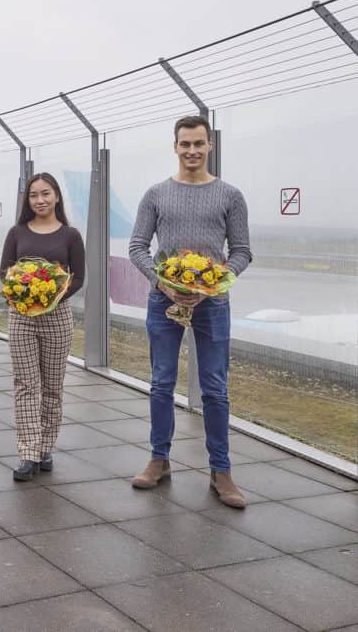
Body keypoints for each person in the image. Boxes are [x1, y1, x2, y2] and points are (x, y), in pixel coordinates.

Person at [128, 115, 252, 508]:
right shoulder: (156, 194)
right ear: (175, 147)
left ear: (210, 145)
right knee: (162, 383)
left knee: (215, 387)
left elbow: (242, 252)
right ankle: (159, 460)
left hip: (212, 304)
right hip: (164, 301)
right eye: (186, 144)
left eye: (199, 143)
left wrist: (213, 283)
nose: (192, 151)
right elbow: (137, 247)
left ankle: (221, 470)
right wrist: (162, 282)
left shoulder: (231, 196)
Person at [0, 172, 85, 481]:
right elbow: (5, 272)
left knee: (52, 386)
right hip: (21, 317)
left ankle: (46, 447)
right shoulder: (17, 232)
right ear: (28, 201)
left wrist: (51, 297)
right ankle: (28, 452)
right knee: (25, 385)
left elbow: (78, 278)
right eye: (34, 195)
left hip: (57, 317)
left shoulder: (71, 236)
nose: (40, 200)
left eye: (45, 194)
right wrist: (24, 299)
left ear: (57, 196)